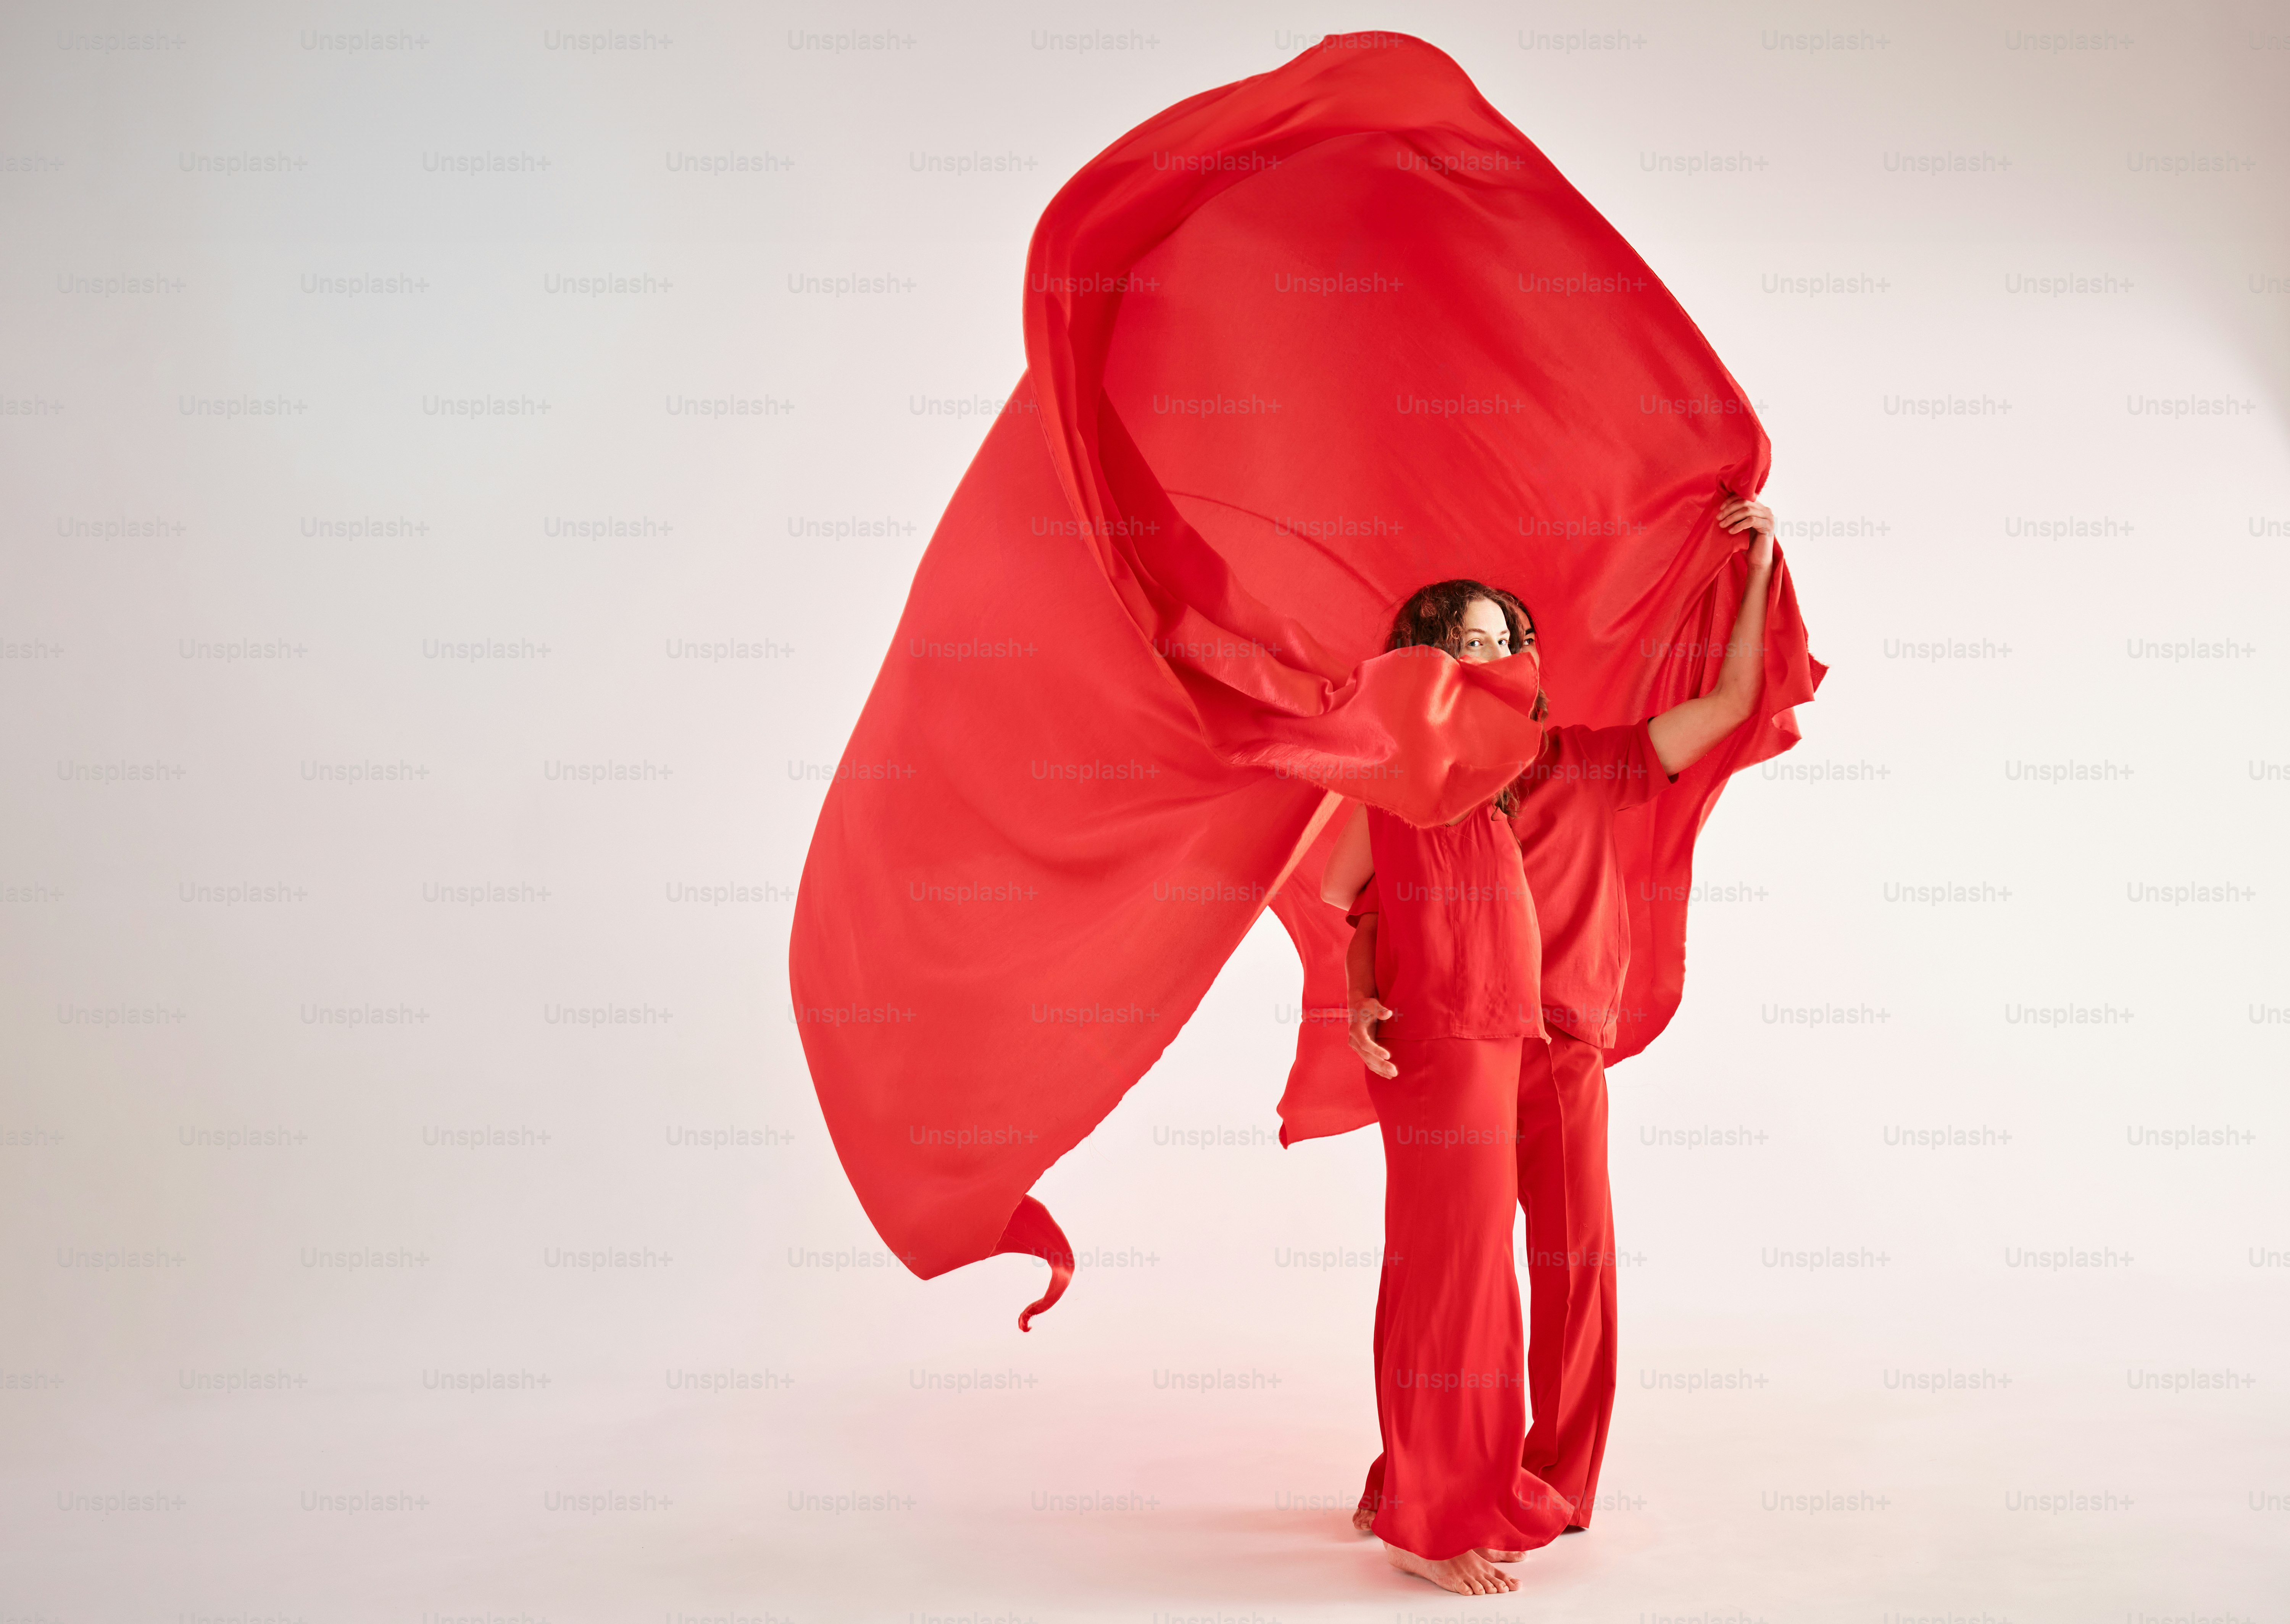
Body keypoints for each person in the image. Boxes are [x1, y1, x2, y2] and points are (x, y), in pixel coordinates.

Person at [1321, 494, 1779, 1586]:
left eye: (1498, 638)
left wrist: (1757, 569)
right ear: (1423, 666)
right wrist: (1356, 989)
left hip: (1559, 1041)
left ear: (1528, 656)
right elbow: (1354, 898)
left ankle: (1557, 1483)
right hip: (1449, 1040)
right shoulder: (1411, 779)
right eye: (1457, 641)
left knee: (1574, 1264)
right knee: (1449, 1267)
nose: (1482, 656)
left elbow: (1727, 703)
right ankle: (1427, 1473)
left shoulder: (1591, 763)